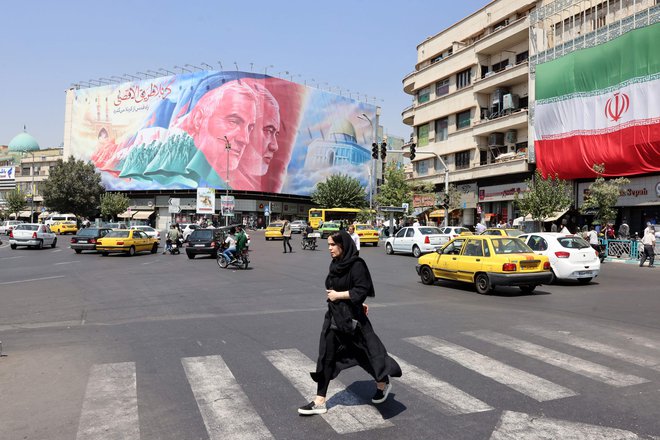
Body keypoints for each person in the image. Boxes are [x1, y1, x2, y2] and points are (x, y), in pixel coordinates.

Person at [298, 231, 402, 416]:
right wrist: (351, 298)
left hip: (351, 320)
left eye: (332, 245)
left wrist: (342, 296)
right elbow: (345, 287)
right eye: (328, 244)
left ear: (343, 246)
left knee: (364, 353)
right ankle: (320, 400)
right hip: (333, 317)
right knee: (326, 356)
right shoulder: (336, 264)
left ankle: (382, 381)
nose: (329, 248)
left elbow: (361, 288)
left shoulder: (356, 265)